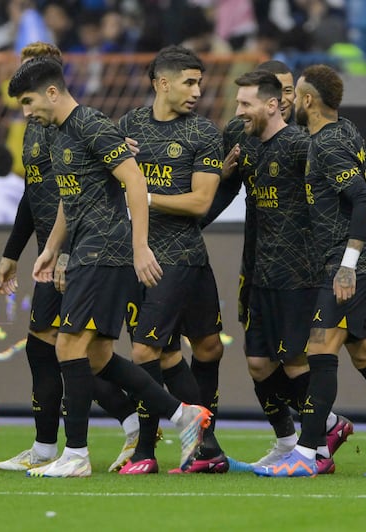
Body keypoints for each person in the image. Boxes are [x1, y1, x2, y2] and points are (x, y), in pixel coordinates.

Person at [7, 56, 212, 478]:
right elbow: (72, 195)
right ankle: (182, 415)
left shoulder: (92, 124)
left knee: (67, 345)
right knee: (98, 357)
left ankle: (77, 455)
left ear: (51, 92)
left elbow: (134, 180)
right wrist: (52, 248)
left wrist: (140, 248)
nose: (26, 112)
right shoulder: (58, 134)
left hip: (107, 249)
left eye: (28, 102)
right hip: (84, 248)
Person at [254, 64, 366, 478]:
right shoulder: (346, 131)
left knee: (319, 350)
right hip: (354, 258)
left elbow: (365, 199)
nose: (292, 101)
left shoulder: (329, 143)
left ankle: (306, 454)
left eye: (296, 94)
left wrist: (348, 264)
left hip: (349, 264)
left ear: (310, 100)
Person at [0, 41, 143, 473]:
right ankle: (56, 447)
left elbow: (86, 192)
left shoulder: (74, 126)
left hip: (82, 251)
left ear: (51, 85)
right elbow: (33, 194)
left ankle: (120, 431)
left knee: (76, 351)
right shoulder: (38, 128)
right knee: (56, 351)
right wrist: (12, 253)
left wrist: (64, 253)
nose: (24, 100)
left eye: (29, 86)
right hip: (53, 247)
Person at [202, 60, 360, 472]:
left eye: (244, 103)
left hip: (300, 270)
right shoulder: (240, 136)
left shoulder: (302, 146)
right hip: (257, 270)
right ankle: (303, 434)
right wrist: (199, 214)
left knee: (294, 362)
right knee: (258, 363)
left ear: (273, 104)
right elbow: (223, 189)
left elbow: (343, 189)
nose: (237, 111)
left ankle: (316, 447)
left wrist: (362, 222)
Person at [116, 45, 229, 474]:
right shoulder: (128, 127)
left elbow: (201, 201)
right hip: (142, 254)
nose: (198, 91)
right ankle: (192, 447)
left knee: (196, 348)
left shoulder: (202, 133)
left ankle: (160, 449)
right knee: (158, 351)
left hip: (181, 256)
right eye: (189, 82)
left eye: (199, 82)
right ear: (162, 83)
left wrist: (143, 197)